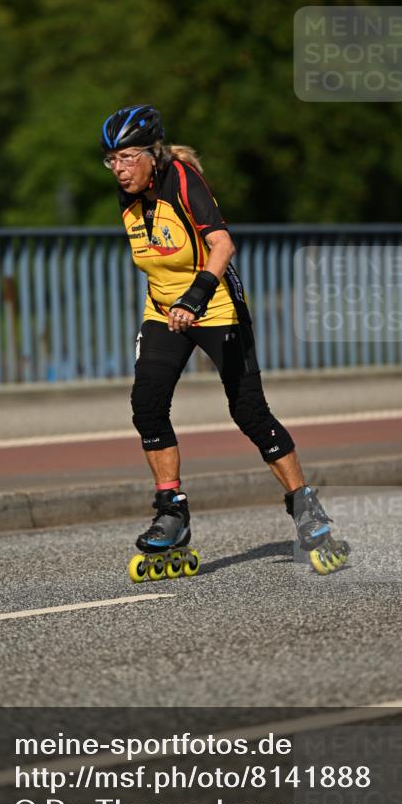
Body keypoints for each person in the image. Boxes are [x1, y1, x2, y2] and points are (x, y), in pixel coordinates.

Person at [101, 104, 349, 578]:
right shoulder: (128, 192)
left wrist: (194, 298)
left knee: (248, 410)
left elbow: (222, 245)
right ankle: (172, 512)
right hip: (163, 309)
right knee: (147, 403)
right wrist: (174, 303)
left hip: (214, 305)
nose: (120, 168)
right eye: (112, 160)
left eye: (128, 157)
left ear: (153, 153)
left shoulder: (182, 181)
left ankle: (305, 507)